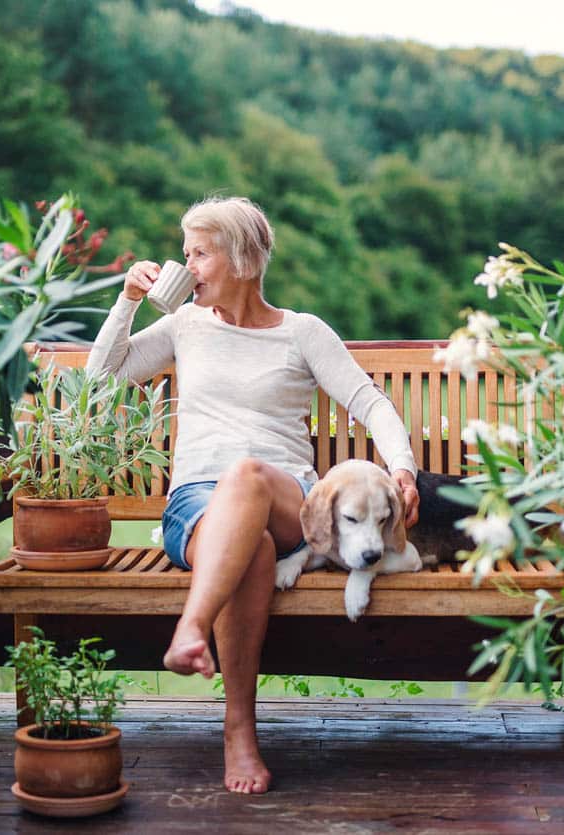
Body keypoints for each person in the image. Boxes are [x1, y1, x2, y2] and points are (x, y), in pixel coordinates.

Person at [86, 196, 418, 794]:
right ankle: (239, 734)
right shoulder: (185, 324)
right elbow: (101, 379)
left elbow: (370, 402)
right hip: (197, 502)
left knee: (247, 476)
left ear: (241, 259)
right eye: (184, 254)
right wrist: (128, 300)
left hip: (291, 498)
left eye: (200, 254)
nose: (187, 267)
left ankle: (191, 628)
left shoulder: (303, 333)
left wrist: (403, 469)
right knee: (255, 551)